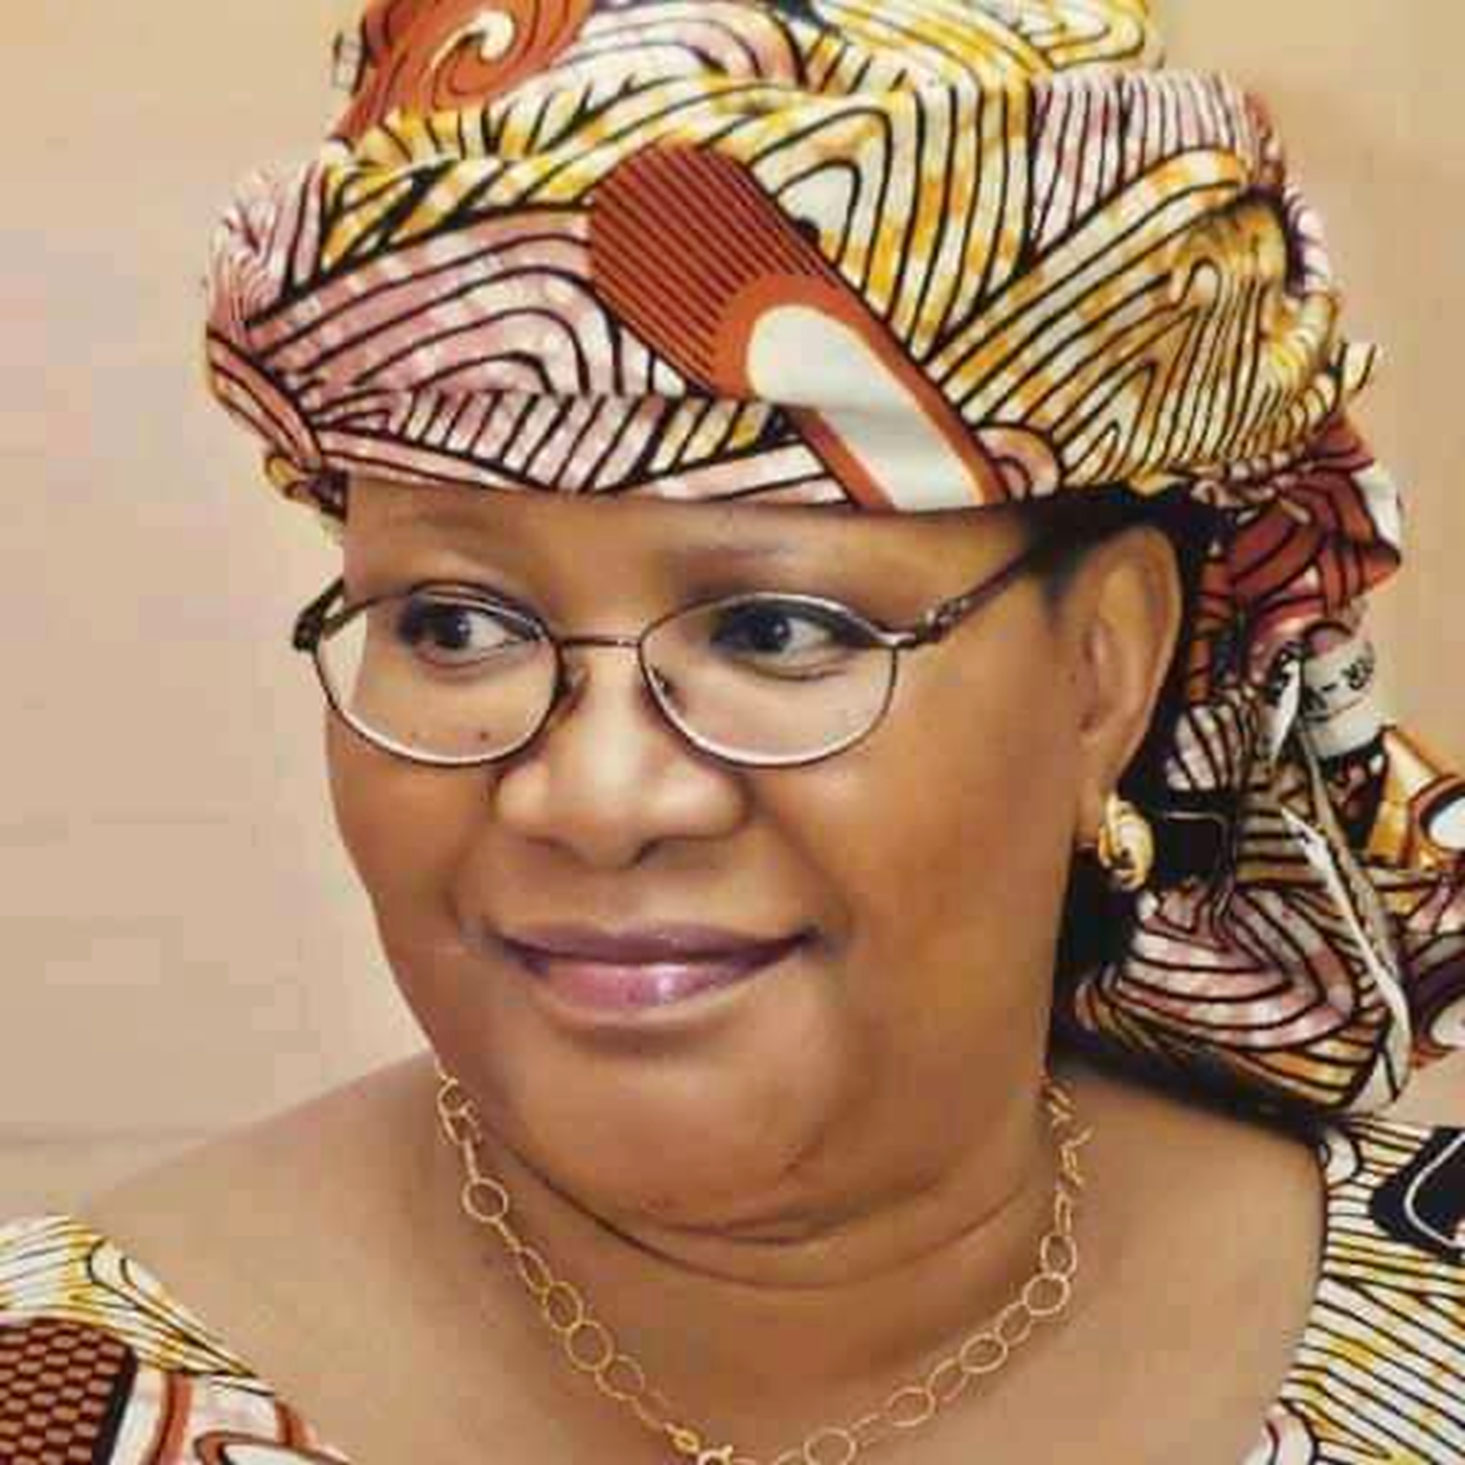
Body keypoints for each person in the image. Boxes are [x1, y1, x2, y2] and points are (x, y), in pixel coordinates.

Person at [4, 0, 1465, 1461]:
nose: (595, 797)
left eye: (775, 630)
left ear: (1103, 673)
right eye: (452, 622)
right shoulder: (51, 1401)